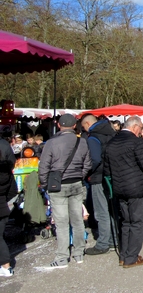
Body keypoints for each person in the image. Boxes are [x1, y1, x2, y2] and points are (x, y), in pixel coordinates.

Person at [104, 116, 143, 268]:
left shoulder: (111, 143)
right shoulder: (137, 143)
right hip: (136, 188)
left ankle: (124, 255)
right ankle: (132, 257)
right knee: (138, 222)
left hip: (119, 187)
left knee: (126, 221)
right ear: (136, 127)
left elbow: (106, 168)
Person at [38, 114, 92, 269]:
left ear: (59, 125)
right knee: (77, 219)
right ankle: (79, 252)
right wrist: (79, 176)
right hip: (75, 182)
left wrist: (44, 183)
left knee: (61, 223)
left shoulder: (52, 143)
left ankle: (62, 257)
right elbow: (87, 164)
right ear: (75, 125)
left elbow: (44, 166)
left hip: (57, 185)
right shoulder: (82, 142)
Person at [80, 114, 117, 256]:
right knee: (111, 208)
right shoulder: (111, 133)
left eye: (84, 127)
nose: (84, 130)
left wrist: (88, 172)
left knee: (101, 211)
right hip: (111, 175)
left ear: (88, 124)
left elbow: (94, 159)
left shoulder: (93, 137)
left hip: (98, 177)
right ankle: (114, 240)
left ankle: (103, 243)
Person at [0, 135, 17, 276]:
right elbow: (13, 190)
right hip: (3, 207)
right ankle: (5, 266)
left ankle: (6, 266)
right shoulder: (7, 172)